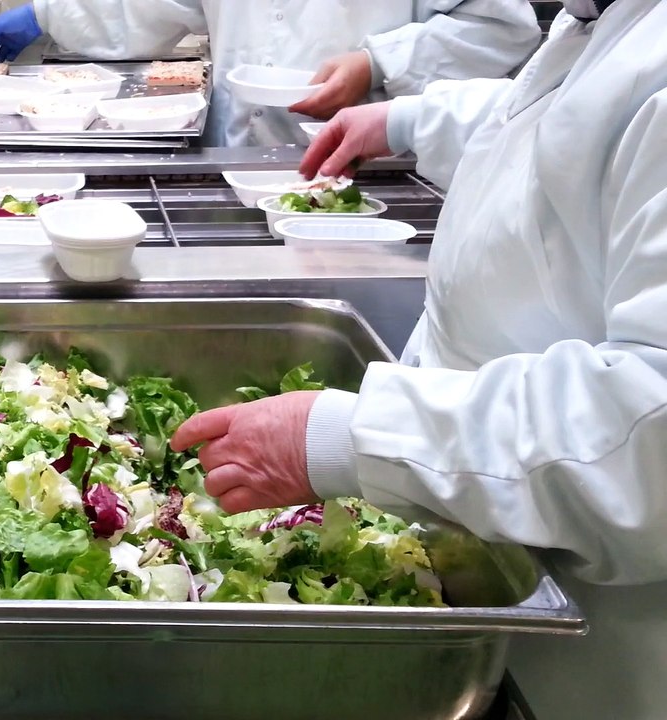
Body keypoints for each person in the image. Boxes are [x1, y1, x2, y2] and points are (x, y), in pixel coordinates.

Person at [170, 0, 667, 717]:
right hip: (497, 545)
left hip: (594, 662)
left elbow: (646, 434)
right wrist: (404, 120)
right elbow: (564, 118)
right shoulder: (608, 21)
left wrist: (354, 438)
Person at [0, 0, 542, 147]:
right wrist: (48, 15)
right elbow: (149, 7)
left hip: (376, 168)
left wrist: (378, 63)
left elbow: (500, 26)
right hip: (235, 155)